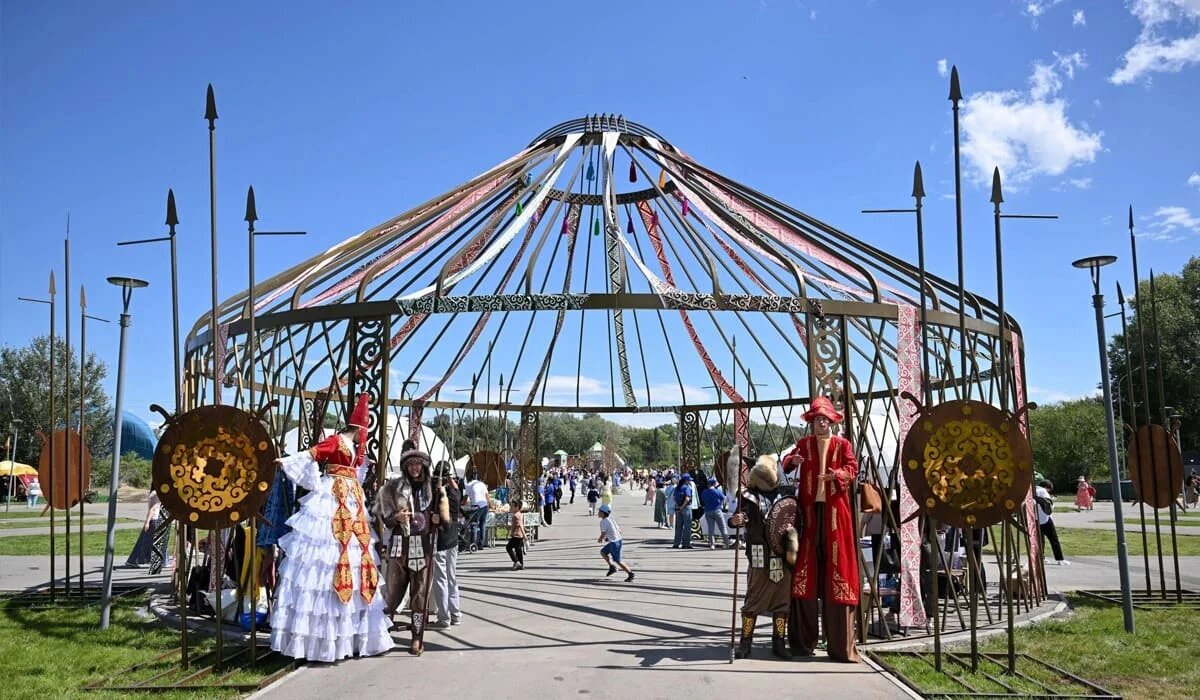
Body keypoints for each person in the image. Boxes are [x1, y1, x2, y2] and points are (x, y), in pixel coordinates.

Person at [271, 394, 393, 662]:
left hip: (351, 498)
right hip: (333, 495)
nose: (364, 436)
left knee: (355, 554)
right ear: (359, 428)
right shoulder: (336, 441)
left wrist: (364, 465)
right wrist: (287, 462)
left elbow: (357, 471)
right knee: (326, 554)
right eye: (364, 430)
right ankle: (319, 638)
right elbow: (313, 454)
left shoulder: (356, 448)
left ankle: (347, 635)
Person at [784, 396, 862, 662]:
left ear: (831, 422)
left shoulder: (842, 444)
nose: (821, 423)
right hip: (809, 512)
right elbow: (787, 462)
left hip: (835, 512)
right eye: (817, 419)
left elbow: (852, 468)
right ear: (812, 422)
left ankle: (839, 645)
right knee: (805, 567)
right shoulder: (805, 443)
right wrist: (793, 461)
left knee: (837, 564)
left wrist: (836, 475)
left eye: (825, 420)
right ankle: (802, 642)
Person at [728, 454, 795, 659]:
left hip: (782, 554)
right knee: (753, 601)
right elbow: (740, 517)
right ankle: (745, 644)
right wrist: (737, 520)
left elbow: (792, 515)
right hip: (759, 555)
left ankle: (779, 643)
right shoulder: (748, 496)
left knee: (782, 602)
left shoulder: (786, 494)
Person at [429, 460, 463, 629]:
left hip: (441, 539)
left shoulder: (437, 496)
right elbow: (455, 488)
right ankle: (455, 613)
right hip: (453, 539)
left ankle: (444, 618)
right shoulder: (455, 494)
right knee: (451, 577)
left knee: (441, 579)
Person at [1035, 479, 1069, 566]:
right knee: (1054, 539)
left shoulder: (1033, 490)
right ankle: (1060, 559)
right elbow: (1050, 506)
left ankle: (1041, 558)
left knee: (1039, 540)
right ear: (1047, 487)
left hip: (1035, 519)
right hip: (1045, 519)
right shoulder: (1043, 491)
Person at [597, 504, 635, 582]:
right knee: (603, 552)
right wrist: (609, 537)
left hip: (614, 543)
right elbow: (619, 531)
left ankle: (630, 573)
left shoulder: (603, 522)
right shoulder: (611, 520)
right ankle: (612, 567)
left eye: (599, 511)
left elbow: (603, 533)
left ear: (603, 513)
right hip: (618, 540)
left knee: (618, 560)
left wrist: (601, 539)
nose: (598, 513)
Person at [701, 476, 731, 549]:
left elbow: (703, 500)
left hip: (707, 511)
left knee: (710, 528)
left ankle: (712, 544)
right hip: (717, 510)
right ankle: (726, 543)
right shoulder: (717, 491)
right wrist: (720, 503)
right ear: (714, 484)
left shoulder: (704, 492)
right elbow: (724, 498)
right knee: (722, 527)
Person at [463, 471, 490, 549]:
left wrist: (462, 504)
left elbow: (465, 498)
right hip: (484, 506)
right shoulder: (482, 484)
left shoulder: (468, 485)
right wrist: (489, 505)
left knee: (474, 525)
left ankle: (473, 544)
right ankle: (481, 544)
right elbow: (487, 496)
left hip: (476, 507)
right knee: (482, 525)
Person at [672, 474, 694, 549]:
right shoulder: (687, 488)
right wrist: (682, 507)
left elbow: (674, 498)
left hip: (678, 508)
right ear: (686, 480)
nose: (690, 481)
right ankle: (686, 544)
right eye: (689, 480)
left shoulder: (677, 487)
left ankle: (676, 543)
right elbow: (687, 499)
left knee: (678, 526)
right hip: (686, 507)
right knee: (687, 526)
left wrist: (678, 506)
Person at [507, 499, 527, 570]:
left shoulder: (516, 516)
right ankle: (521, 564)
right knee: (518, 550)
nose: (511, 508)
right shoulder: (520, 514)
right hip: (519, 535)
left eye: (512, 506)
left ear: (517, 507)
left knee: (508, 547)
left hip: (516, 535)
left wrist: (524, 535)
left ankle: (516, 561)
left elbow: (520, 525)